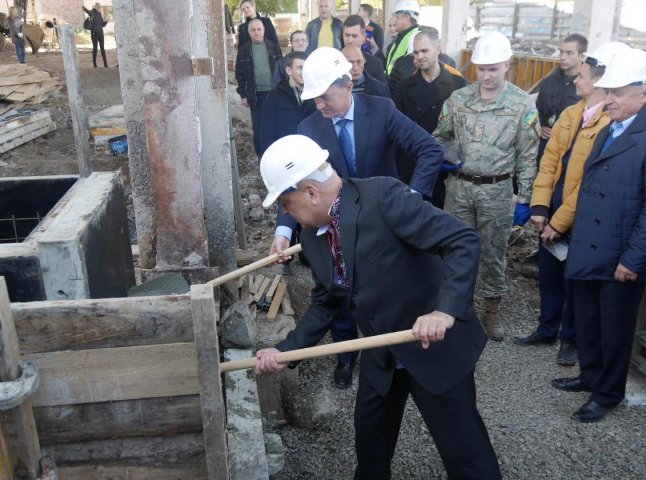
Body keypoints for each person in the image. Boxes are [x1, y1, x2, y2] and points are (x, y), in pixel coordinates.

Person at [256, 135, 501, 479]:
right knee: (370, 443)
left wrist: (445, 309)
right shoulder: (311, 237)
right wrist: (284, 351)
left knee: (464, 450)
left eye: (285, 201)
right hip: (380, 349)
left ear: (310, 191)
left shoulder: (384, 197)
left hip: (432, 344)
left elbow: (461, 240)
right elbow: (326, 303)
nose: (284, 212)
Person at [271, 47, 444, 388]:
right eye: (314, 98)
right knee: (339, 290)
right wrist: (283, 229)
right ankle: (346, 356)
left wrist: (412, 196)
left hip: (383, 224)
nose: (320, 105)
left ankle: (396, 352)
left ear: (348, 85)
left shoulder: (380, 110)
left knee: (387, 287)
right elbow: (293, 185)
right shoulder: (309, 128)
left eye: (325, 97)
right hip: (334, 226)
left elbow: (429, 149)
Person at [514, 43, 630, 367]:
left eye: (581, 76)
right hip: (551, 210)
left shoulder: (610, 124)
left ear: (598, 82)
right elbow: (549, 162)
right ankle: (547, 328)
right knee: (549, 274)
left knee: (574, 280)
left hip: (581, 219)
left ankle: (571, 339)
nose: (576, 81)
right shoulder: (570, 114)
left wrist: (559, 222)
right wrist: (539, 208)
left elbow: (587, 184)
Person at [551, 47, 646, 423]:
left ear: (643, 93)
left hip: (620, 253)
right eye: (609, 91)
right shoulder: (610, 127)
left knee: (614, 328)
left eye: (618, 93)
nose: (610, 99)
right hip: (591, 245)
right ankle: (589, 375)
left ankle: (608, 393)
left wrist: (633, 259)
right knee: (587, 318)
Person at [434, 32, 539, 341]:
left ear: (508, 64)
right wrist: (445, 156)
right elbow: (439, 135)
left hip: (497, 191)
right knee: (454, 249)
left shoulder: (521, 105)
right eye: (482, 68)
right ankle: (455, 308)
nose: (487, 75)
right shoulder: (459, 99)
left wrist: (524, 199)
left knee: (493, 254)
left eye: (494, 68)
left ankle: (491, 309)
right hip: (460, 189)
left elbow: (528, 156)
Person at [395, 29, 466, 207]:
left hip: (447, 168)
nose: (419, 56)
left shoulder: (458, 85)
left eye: (424, 51)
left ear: (438, 48)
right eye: (416, 52)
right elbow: (398, 131)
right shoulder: (403, 88)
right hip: (413, 167)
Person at [535, 34, 587, 162]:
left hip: (571, 150)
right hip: (545, 148)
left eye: (569, 53)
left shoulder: (587, 85)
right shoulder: (549, 81)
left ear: (582, 56)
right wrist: (538, 127)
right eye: (561, 52)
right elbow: (532, 112)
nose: (562, 57)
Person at [235, 18, 282, 156]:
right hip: (256, 95)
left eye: (259, 29)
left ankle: (277, 153)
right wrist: (243, 95)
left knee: (276, 123)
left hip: (274, 92)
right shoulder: (244, 50)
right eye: (253, 30)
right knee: (259, 127)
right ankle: (262, 156)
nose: (256, 33)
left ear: (264, 30)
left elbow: (282, 70)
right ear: (249, 32)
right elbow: (239, 74)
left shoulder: (274, 46)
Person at [260, 52, 316, 154]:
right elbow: (267, 131)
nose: (304, 72)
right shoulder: (274, 97)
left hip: (309, 153)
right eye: (300, 68)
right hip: (284, 154)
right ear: (289, 70)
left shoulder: (316, 96)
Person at [342, 15, 387, 83]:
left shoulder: (375, 64)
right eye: (347, 35)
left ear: (364, 37)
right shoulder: (332, 62)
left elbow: (382, 91)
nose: (350, 40)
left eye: (354, 36)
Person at [385, 0, 419, 76]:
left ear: (406, 18)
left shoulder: (415, 37)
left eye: (397, 18)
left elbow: (410, 70)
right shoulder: (402, 36)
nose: (395, 21)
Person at [82, 2, 108, 68]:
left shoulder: (100, 14)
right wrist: (84, 8)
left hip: (101, 34)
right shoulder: (92, 13)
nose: (100, 9)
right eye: (99, 8)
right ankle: (95, 64)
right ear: (96, 7)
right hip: (94, 34)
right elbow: (87, 11)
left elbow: (102, 25)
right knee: (95, 48)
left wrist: (106, 22)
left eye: (100, 8)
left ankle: (105, 64)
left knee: (102, 48)